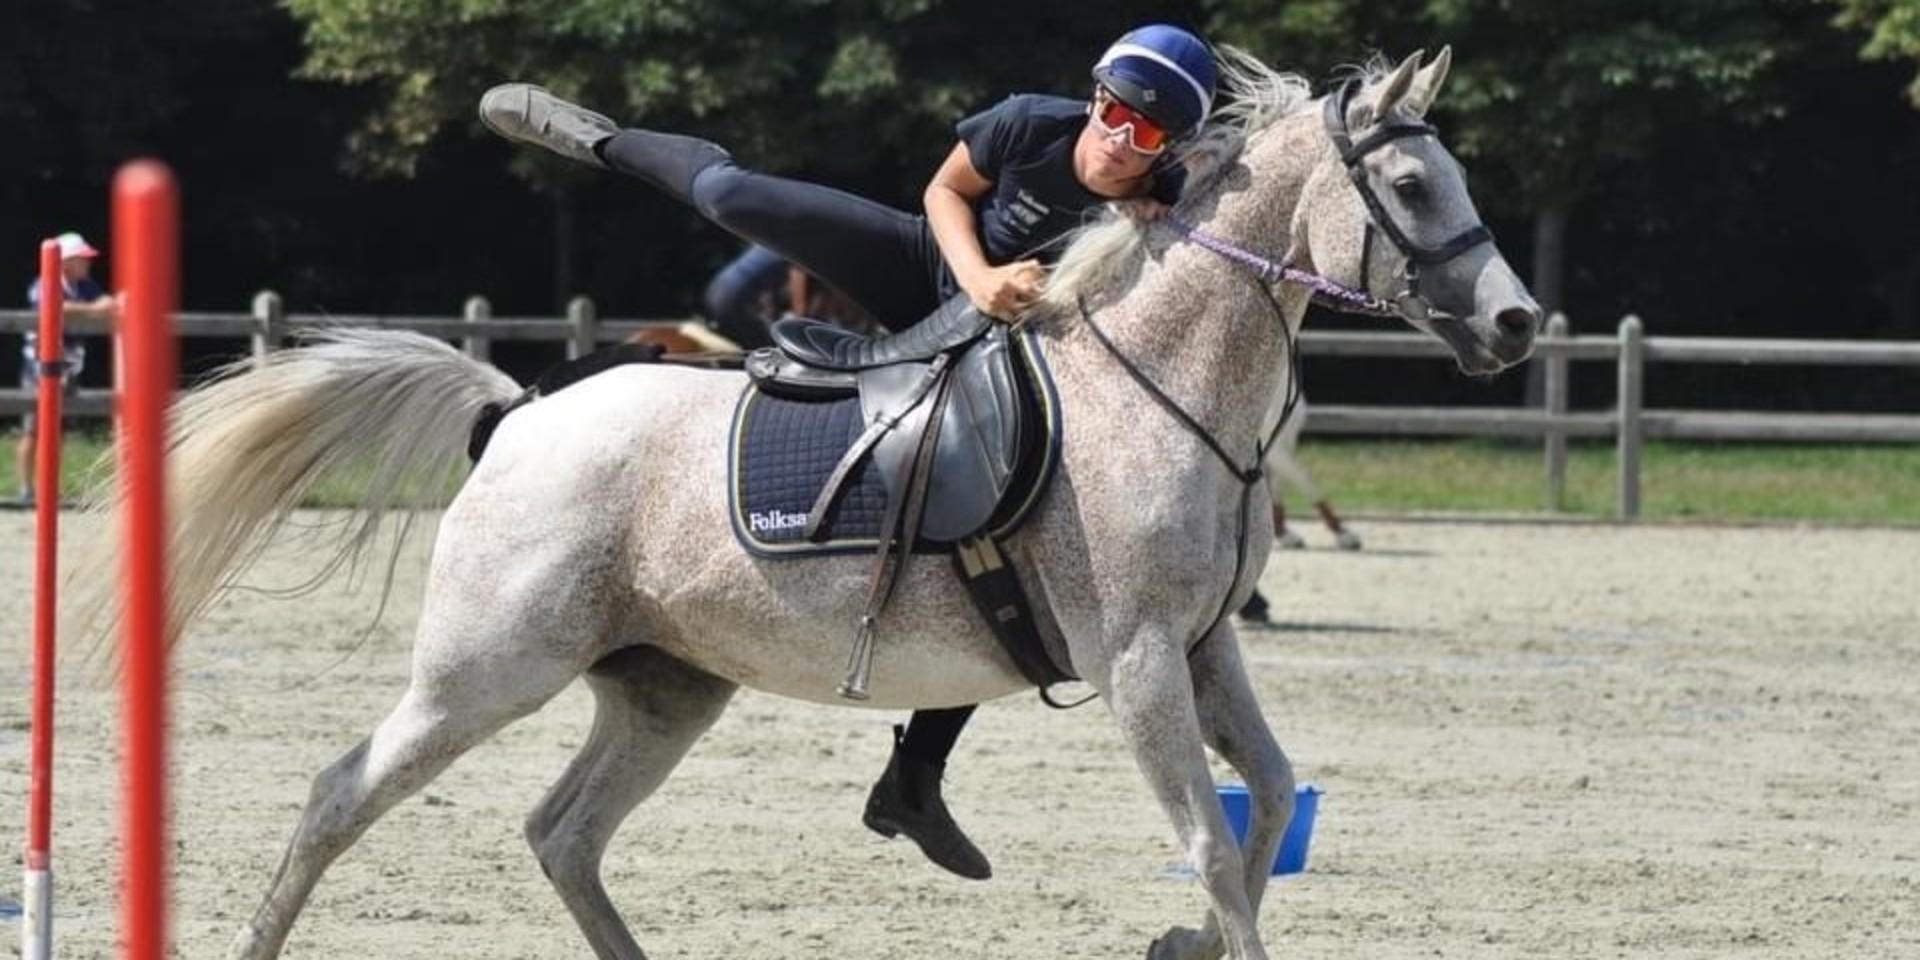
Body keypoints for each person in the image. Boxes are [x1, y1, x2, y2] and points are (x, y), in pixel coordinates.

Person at [481, 23, 1218, 881]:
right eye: (1115, 113)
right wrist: (980, 279)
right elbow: (946, 192)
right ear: (1095, 93)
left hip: (1019, 356)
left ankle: (913, 779)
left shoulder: (1169, 192)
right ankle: (604, 138)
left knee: (994, 532)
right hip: (933, 271)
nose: (1122, 142)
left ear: (1175, 144)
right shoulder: (1028, 125)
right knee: (733, 197)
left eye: (1150, 135)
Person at [18, 232, 114, 506]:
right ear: (67, 261)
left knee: (59, 431)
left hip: (69, 365)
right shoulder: (43, 283)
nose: (88, 264)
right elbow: (53, 306)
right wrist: (91, 309)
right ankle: (26, 488)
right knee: (32, 430)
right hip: (38, 367)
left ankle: (50, 487)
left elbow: (106, 303)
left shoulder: (83, 285)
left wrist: (87, 308)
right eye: (82, 259)